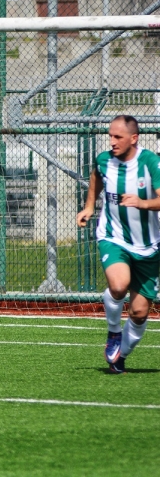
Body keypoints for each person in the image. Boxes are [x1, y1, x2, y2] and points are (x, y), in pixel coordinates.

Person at [76, 115, 160, 374]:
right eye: (110, 136)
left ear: (134, 138)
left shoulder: (151, 163)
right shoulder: (104, 160)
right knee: (118, 285)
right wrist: (89, 206)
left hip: (150, 247)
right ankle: (114, 332)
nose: (112, 142)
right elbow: (96, 176)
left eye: (118, 137)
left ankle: (120, 356)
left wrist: (143, 203)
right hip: (113, 236)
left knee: (138, 313)